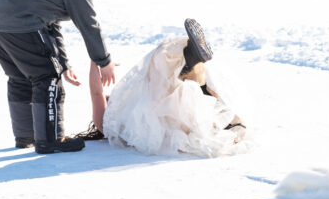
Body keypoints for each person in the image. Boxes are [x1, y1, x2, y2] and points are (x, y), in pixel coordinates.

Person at [0, 0, 116, 154]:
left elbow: (51, 25)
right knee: (47, 77)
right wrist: (105, 62)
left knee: (20, 77)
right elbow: (89, 25)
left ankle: (27, 136)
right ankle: (51, 140)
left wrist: (64, 64)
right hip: (21, 20)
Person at [75, 19, 248, 158]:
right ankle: (188, 58)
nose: (107, 97)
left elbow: (98, 93)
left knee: (191, 92)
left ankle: (189, 63)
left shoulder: (121, 125)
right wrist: (96, 58)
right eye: (107, 98)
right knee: (157, 63)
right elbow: (96, 91)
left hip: (168, 120)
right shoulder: (105, 124)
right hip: (158, 116)